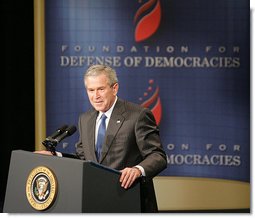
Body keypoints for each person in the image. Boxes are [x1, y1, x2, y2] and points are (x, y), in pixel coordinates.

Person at [36, 64, 167, 212]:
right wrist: (56, 156)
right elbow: (84, 160)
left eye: (101, 89)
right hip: (96, 203)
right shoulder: (85, 119)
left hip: (131, 201)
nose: (95, 96)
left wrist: (137, 170)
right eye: (91, 90)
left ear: (114, 88)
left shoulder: (138, 115)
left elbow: (158, 156)